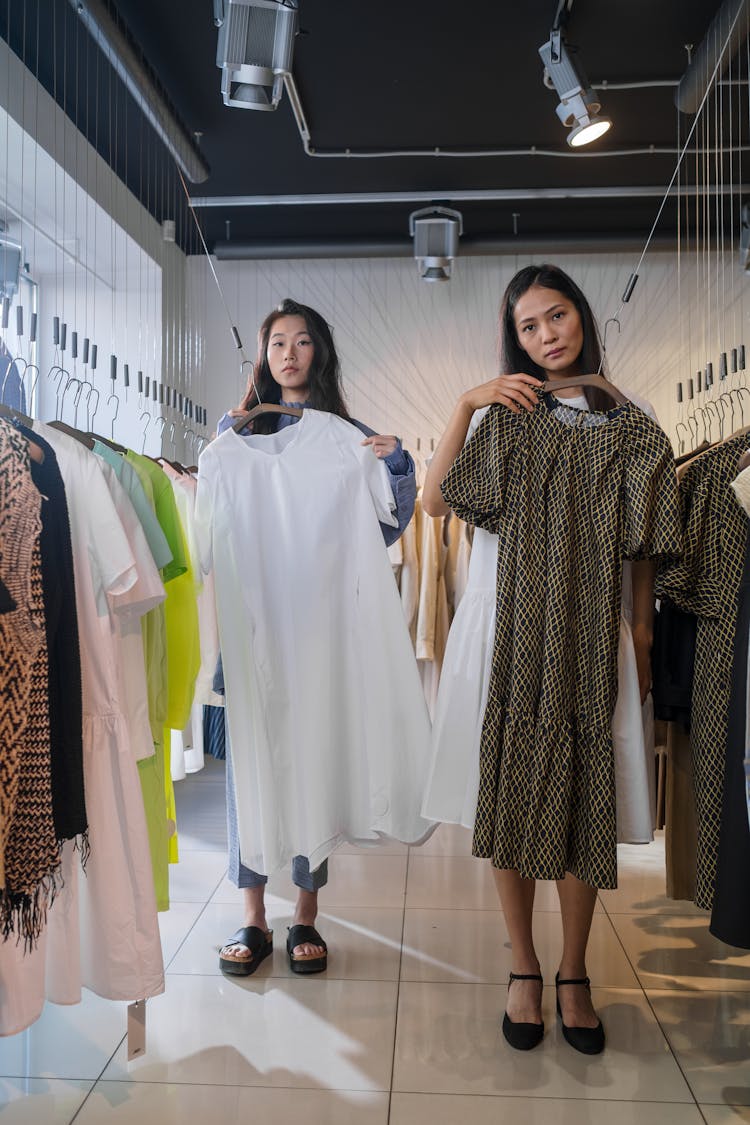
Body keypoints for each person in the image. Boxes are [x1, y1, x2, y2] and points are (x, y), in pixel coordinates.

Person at [422, 264, 677, 1055]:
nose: (546, 335)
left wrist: (638, 633)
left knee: (579, 800)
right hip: (504, 630)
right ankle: (523, 968)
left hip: (591, 632)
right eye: (529, 327)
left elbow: (642, 550)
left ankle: (575, 970)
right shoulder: (505, 417)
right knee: (512, 795)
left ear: (581, 316)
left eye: (556, 316)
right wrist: (468, 400)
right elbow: (434, 501)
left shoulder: (630, 425)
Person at [215, 298, 417, 975]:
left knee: (312, 761)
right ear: (264, 355)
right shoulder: (231, 437)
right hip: (252, 622)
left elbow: (386, 528)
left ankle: (304, 913)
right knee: (253, 762)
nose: (290, 353)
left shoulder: (345, 437)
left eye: (303, 342)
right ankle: (250, 917)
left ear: (318, 354)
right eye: (278, 342)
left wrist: (395, 466)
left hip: (321, 625)